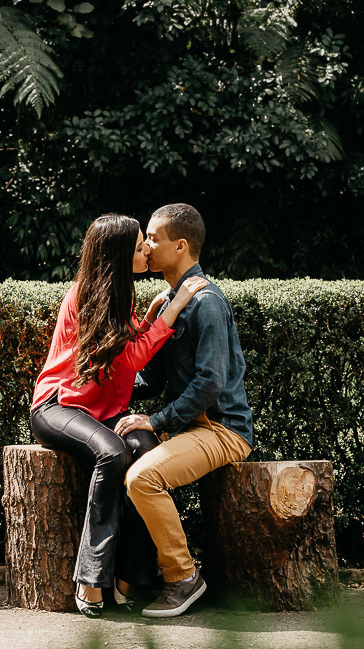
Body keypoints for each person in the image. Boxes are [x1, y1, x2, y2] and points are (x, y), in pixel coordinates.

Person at [29, 213, 208, 618]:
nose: (147, 248)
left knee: (145, 451)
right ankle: (90, 578)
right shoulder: (87, 294)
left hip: (102, 411)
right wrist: (175, 306)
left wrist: (148, 319)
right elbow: (128, 359)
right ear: (118, 252)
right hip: (59, 406)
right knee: (111, 453)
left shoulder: (119, 295)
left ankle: (129, 578)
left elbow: (121, 351)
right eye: (140, 243)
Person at [114, 203, 254, 618]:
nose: (146, 244)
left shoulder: (206, 301)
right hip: (191, 428)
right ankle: (128, 578)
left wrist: (156, 422)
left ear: (180, 245)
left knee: (142, 478)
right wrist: (102, 400)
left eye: (154, 238)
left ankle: (182, 577)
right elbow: (152, 378)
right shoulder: (174, 299)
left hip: (221, 430)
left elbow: (211, 382)